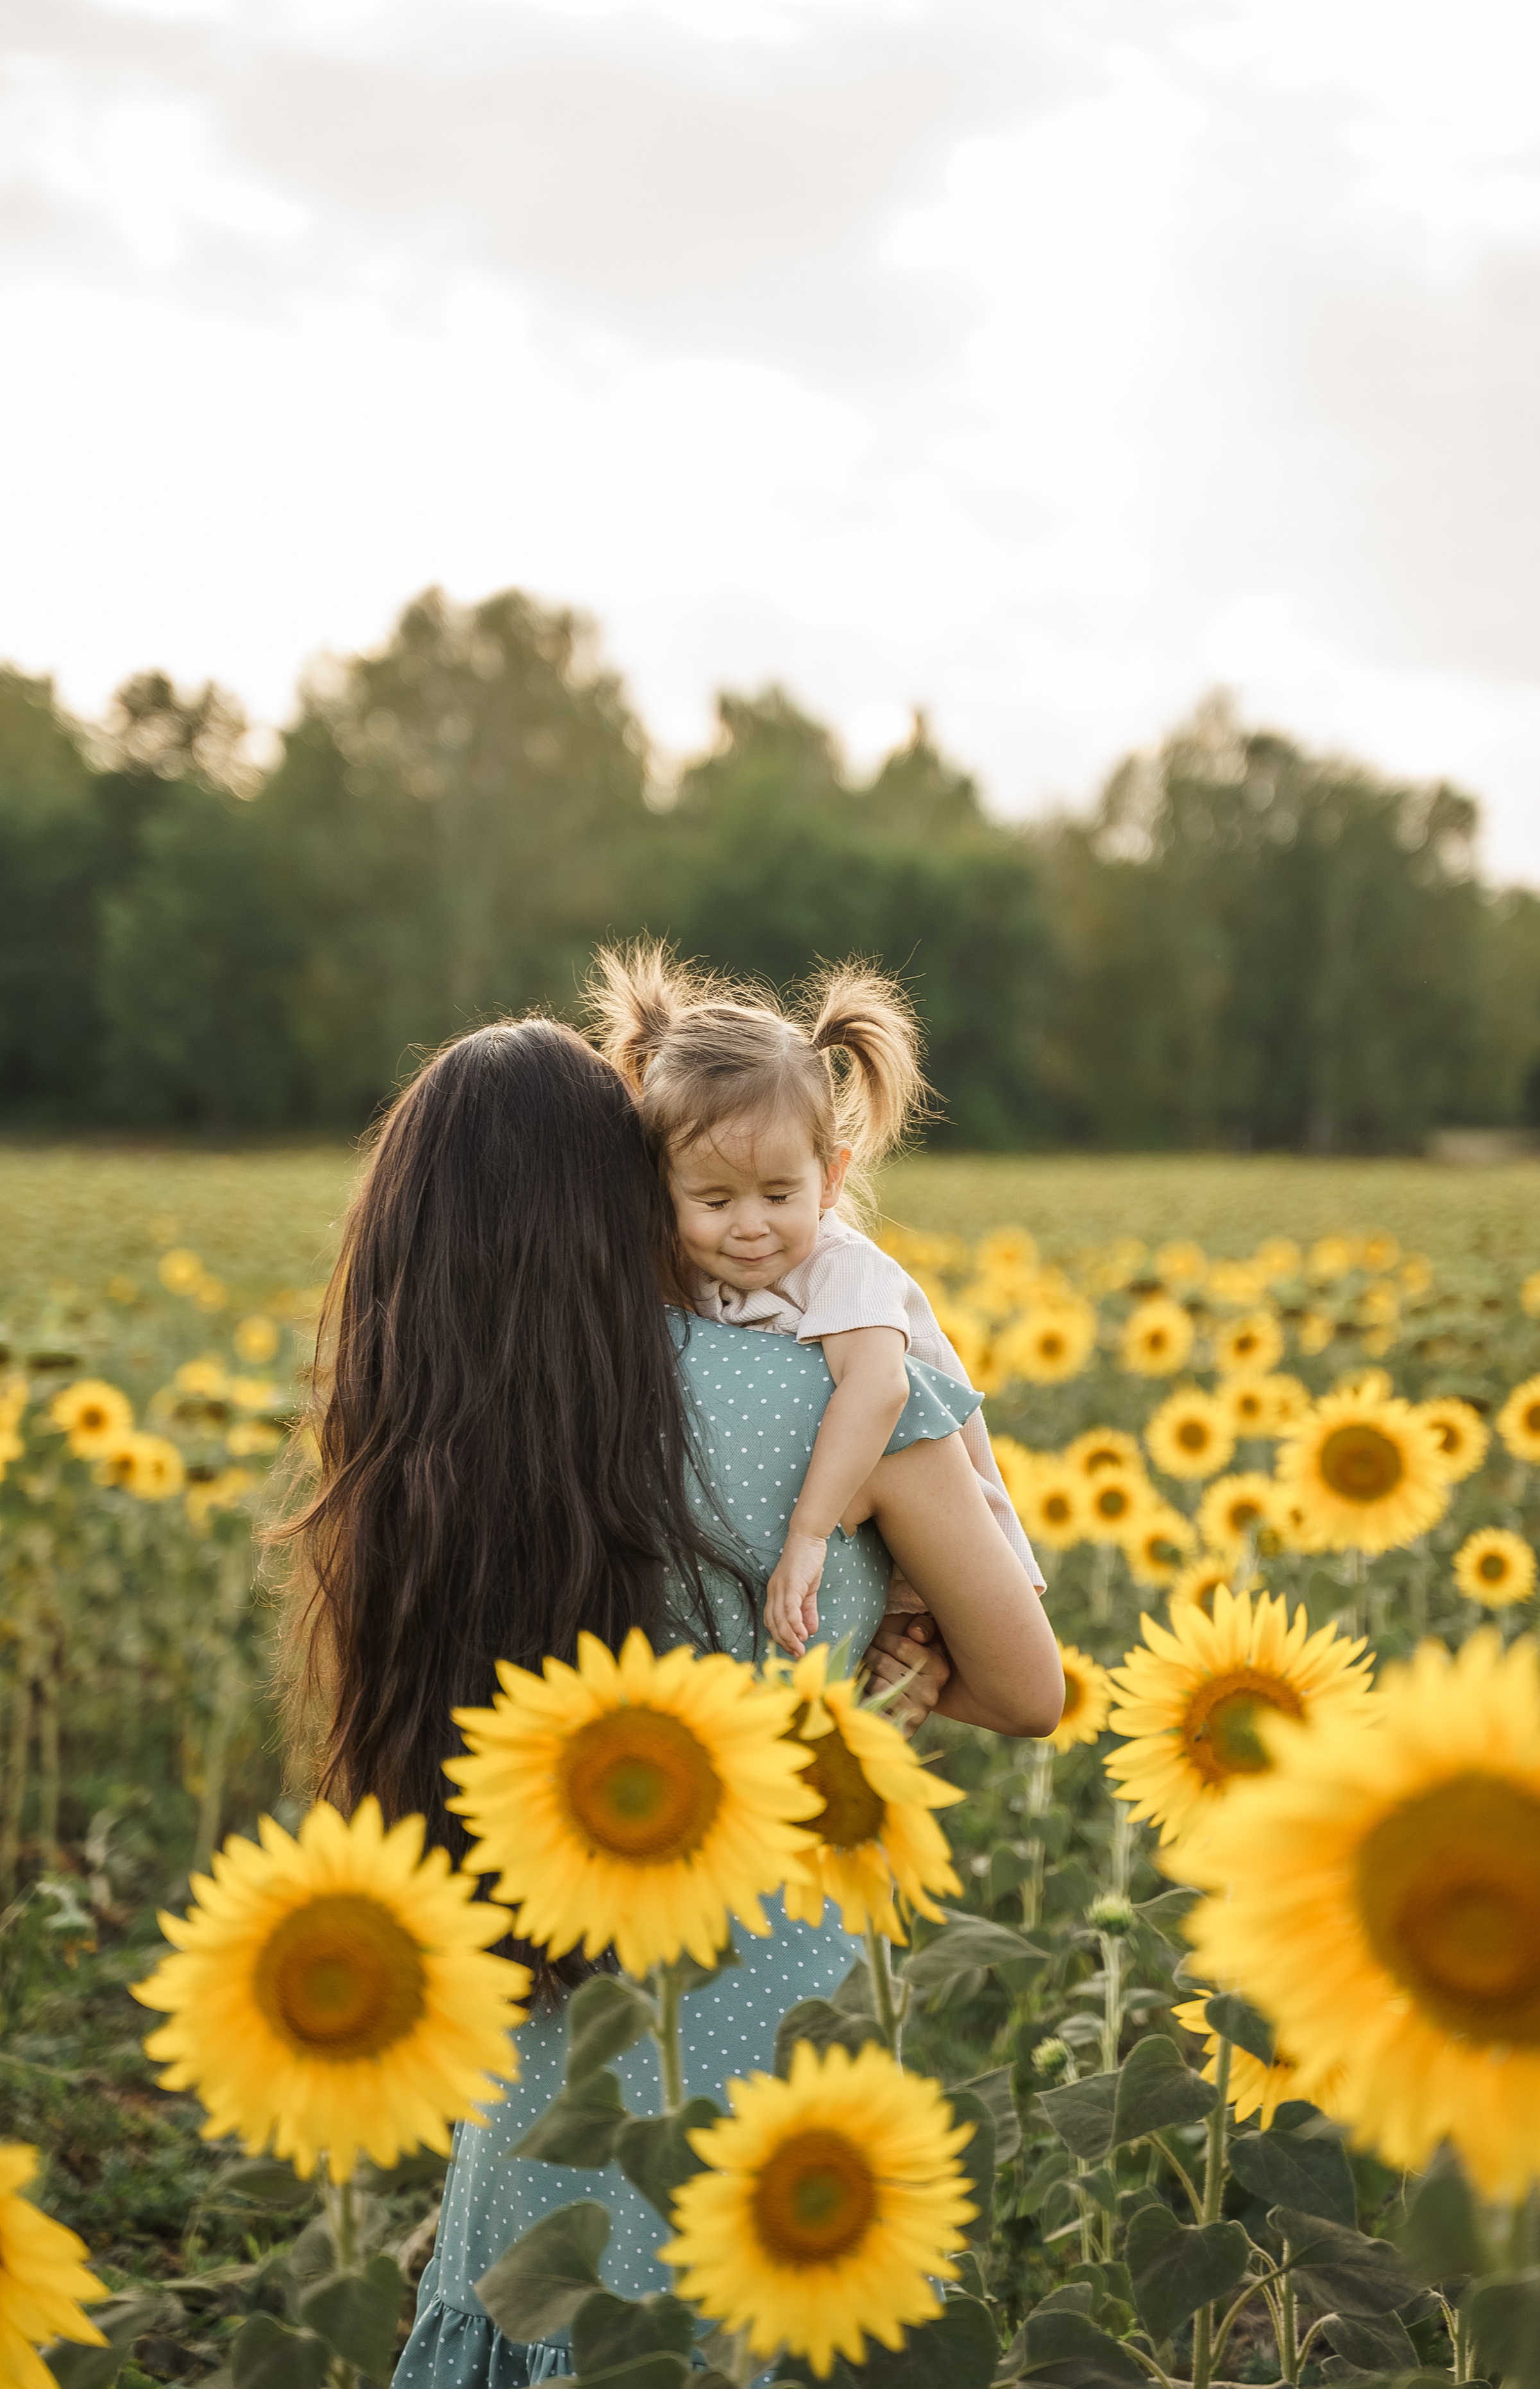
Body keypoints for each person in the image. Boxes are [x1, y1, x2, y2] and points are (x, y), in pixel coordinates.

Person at [274, 1015, 1063, 2387]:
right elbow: (1031, 1687)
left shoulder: (424, 1452)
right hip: (769, 2081)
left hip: (548, 2088)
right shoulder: (826, 1397)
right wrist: (905, 1656)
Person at [586, 943, 1041, 1660]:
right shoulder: (682, 1259)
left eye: (778, 1195)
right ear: (659, 1186)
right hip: (831, 1567)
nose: (749, 1226)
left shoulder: (846, 1267)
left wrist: (807, 1534)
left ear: (830, 1180)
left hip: (937, 1551)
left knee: (917, 1667)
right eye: (712, 1198)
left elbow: (878, 1390)